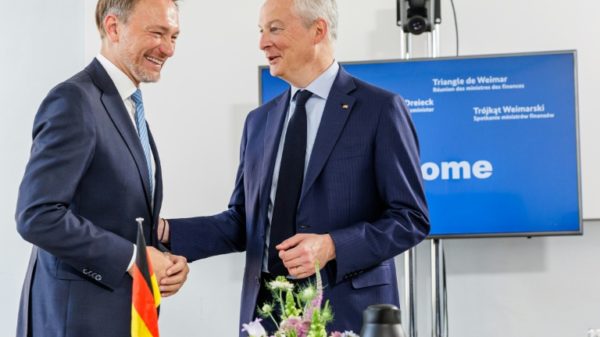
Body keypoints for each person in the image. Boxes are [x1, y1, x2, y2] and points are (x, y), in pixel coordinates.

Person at [159, 0, 429, 334]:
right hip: (267, 316)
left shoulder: (380, 109)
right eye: (261, 31)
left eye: (275, 28)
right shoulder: (259, 122)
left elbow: (410, 219)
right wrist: (167, 231)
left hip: (346, 313)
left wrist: (332, 245)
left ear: (318, 30)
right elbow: (244, 222)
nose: (262, 43)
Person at [15, 0, 189, 336]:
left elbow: (119, 215)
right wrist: (134, 259)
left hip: (124, 316)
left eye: (174, 36)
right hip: (76, 322)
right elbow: (37, 215)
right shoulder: (74, 100)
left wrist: (163, 259)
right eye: (157, 33)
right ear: (113, 27)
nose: (167, 48)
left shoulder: (126, 107)